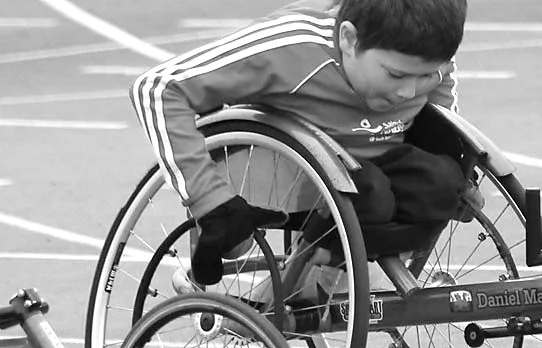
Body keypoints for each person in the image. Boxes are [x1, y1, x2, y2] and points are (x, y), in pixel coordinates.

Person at [130, 0, 468, 286]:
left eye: (425, 76)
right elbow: (158, 88)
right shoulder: (290, 47)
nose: (408, 92)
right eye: (395, 75)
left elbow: (439, 98)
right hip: (277, 175)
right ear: (348, 39)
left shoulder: (427, 56)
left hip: (370, 172)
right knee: (367, 192)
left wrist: (455, 162)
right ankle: (299, 284)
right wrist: (210, 200)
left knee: (439, 184)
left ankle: (324, 278)